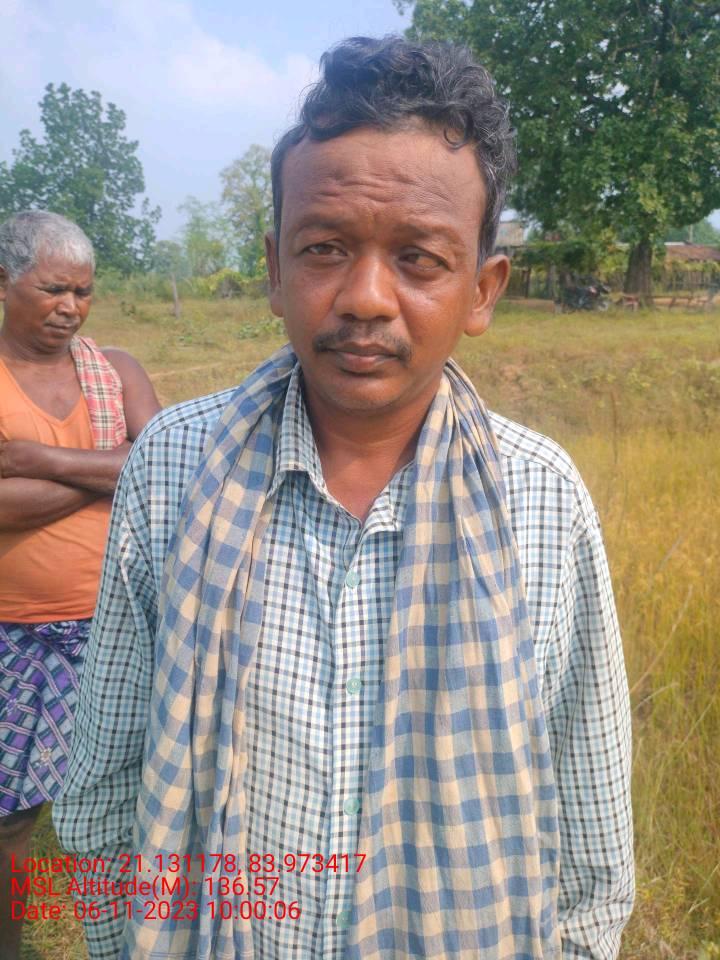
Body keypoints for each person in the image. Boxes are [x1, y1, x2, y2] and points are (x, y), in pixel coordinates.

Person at [54, 36, 634, 960]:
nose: (365, 297)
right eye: (324, 248)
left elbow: (591, 822)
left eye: (419, 258)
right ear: (275, 269)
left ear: (482, 291)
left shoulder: (542, 498)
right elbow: (105, 779)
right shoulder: (172, 466)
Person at [0, 211, 160, 959]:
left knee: (131, 802)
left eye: (84, 292)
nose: (71, 307)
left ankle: (136, 940)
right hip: (14, 635)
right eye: (54, 289)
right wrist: (108, 469)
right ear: (4, 283)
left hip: (120, 629)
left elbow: (159, 464)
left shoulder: (116, 369)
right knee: (10, 819)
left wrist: (39, 459)